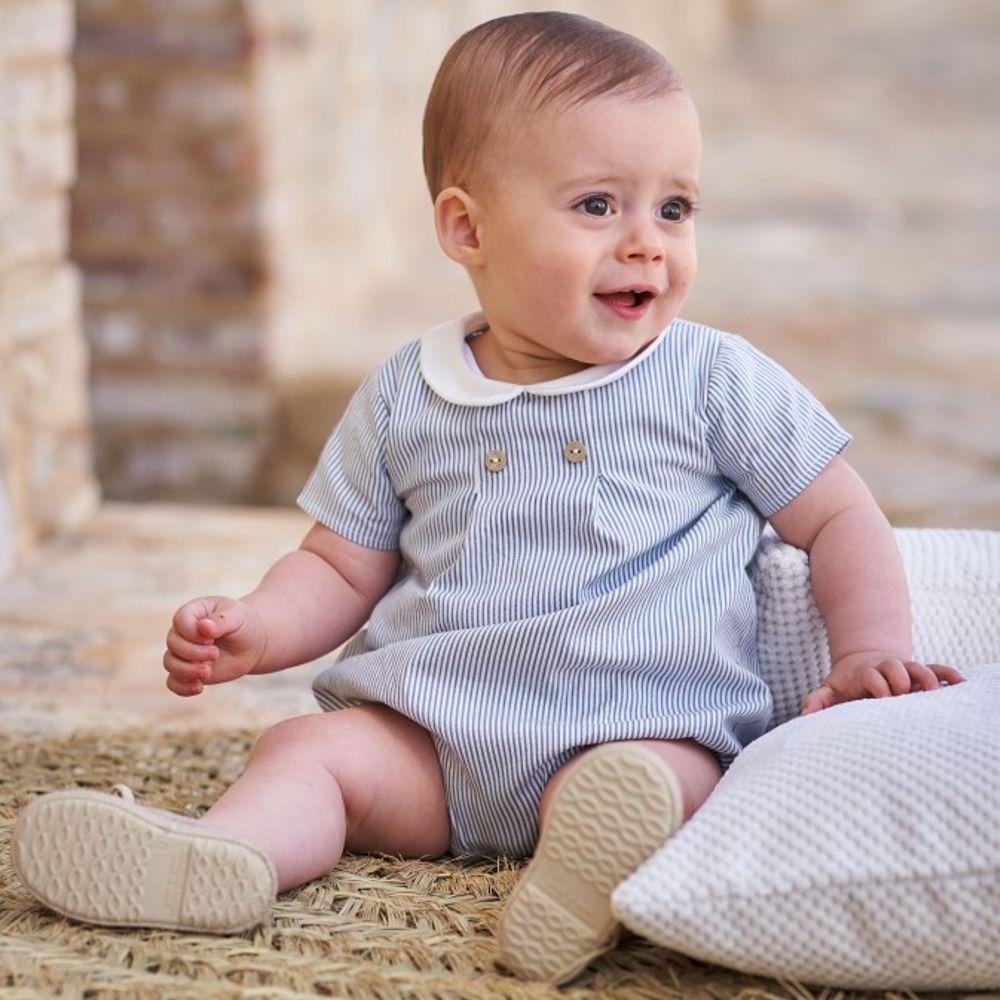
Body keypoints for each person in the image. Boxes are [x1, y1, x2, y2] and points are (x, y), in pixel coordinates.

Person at [11, 11, 962, 985]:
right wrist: (259, 625)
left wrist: (868, 649)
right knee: (309, 749)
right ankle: (224, 857)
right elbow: (338, 563)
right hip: (432, 738)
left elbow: (841, 515)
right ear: (468, 227)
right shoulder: (405, 393)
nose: (647, 244)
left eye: (673, 209)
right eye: (598, 206)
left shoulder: (710, 379)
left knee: (659, 784)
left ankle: (575, 886)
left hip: (635, 721)